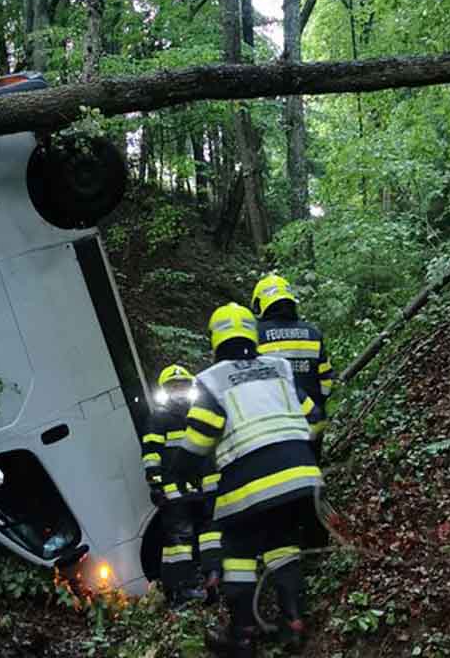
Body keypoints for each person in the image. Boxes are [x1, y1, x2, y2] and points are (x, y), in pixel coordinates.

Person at [173, 302, 326, 657]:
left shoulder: (212, 380)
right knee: (281, 545)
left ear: (215, 339)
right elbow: (316, 417)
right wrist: (301, 454)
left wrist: (179, 472)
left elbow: (199, 438)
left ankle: (241, 634)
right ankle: (294, 622)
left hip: (250, 484)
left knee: (238, 552)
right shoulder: (279, 368)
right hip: (301, 477)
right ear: (251, 332)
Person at [141, 364, 209, 608]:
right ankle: (181, 591)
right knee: (179, 543)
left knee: (206, 536)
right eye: (174, 386)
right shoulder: (159, 418)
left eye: (183, 385)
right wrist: (155, 485)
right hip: (174, 492)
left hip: (202, 490)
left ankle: (208, 581)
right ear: (165, 391)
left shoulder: (201, 413)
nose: (179, 390)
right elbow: (151, 454)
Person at [251, 274, 335, 422]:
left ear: (260, 303)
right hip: (311, 420)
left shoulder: (255, 335)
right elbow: (326, 380)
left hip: (272, 420)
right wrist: (318, 404)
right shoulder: (313, 333)